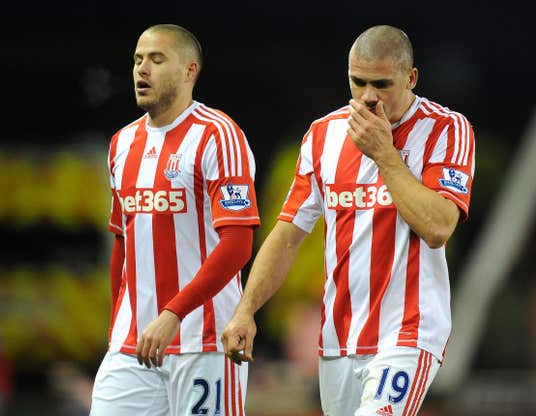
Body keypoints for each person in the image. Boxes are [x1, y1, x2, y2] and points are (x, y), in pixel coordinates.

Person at [222, 25, 475, 416]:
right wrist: (245, 310)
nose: (368, 96)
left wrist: (385, 155)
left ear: (411, 78)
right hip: (338, 338)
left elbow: (439, 227)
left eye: (382, 84)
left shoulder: (447, 129)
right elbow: (288, 233)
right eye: (358, 82)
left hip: (408, 332)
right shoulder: (324, 135)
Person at [89, 24, 259, 416]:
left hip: (206, 343)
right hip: (133, 346)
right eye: (137, 60)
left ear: (189, 71)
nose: (141, 69)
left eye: (156, 59)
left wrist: (173, 313)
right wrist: (117, 325)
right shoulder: (121, 143)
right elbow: (122, 241)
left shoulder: (219, 135)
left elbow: (237, 245)